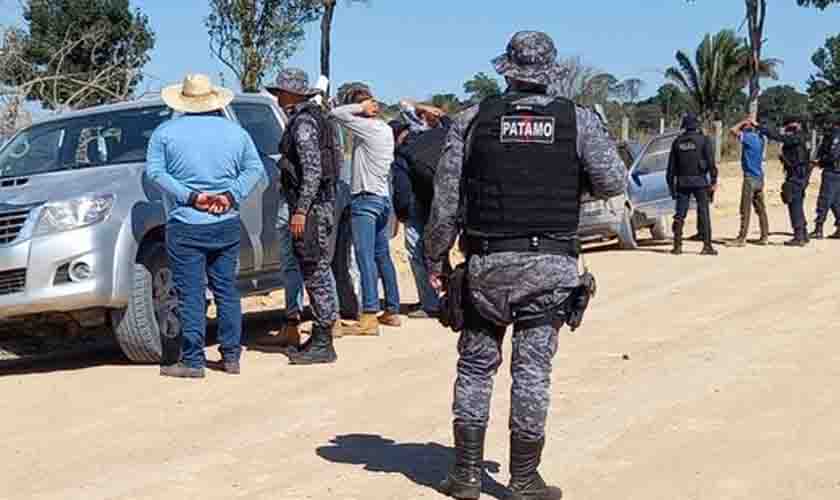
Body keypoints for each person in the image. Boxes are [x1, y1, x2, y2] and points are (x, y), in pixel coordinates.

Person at [426, 31, 627, 500]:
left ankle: (466, 475)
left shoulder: (473, 120)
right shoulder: (577, 121)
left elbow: (446, 201)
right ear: (549, 71)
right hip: (550, 267)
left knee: (476, 367)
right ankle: (522, 479)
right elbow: (613, 180)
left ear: (507, 69)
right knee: (532, 371)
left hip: (487, 265)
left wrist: (435, 256)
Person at [146, 74, 267, 378]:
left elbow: (155, 173)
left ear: (183, 101)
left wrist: (191, 196)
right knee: (226, 290)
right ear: (213, 100)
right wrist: (230, 195)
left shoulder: (165, 133)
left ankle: (193, 360)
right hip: (225, 221)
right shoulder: (235, 133)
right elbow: (255, 169)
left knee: (191, 294)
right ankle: (230, 356)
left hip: (186, 222)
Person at [272, 68, 341, 364]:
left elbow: (312, 171)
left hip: (311, 207)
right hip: (317, 204)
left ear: (290, 94)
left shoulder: (302, 123)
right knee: (316, 269)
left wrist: (301, 210)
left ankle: (324, 340)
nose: (276, 98)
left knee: (315, 270)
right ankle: (321, 334)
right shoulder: (314, 117)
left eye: (279, 93)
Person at [330, 85, 401, 335]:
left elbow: (336, 114)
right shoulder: (384, 129)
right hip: (382, 200)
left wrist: (359, 108)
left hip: (365, 201)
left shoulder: (368, 127)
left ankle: (369, 314)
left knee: (364, 257)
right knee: (382, 255)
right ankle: (392, 309)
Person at [391, 101, 452, 319]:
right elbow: (450, 123)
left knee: (416, 252)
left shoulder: (403, 151)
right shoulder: (443, 135)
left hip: (420, 204)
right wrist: (436, 112)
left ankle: (430, 303)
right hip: (448, 202)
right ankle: (452, 298)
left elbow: (402, 188)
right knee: (440, 251)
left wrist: (402, 214)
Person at [666, 113, 719, 256]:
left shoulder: (677, 142)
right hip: (700, 182)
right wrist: (713, 181)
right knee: (703, 212)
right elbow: (711, 163)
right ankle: (707, 246)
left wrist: (671, 189)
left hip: (682, 183)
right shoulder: (703, 140)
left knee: (680, 215)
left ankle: (677, 246)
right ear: (696, 126)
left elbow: (671, 169)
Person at [759, 115, 812, 246]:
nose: (787, 127)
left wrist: (762, 128)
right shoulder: (804, 136)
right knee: (797, 203)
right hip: (800, 174)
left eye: (789, 124)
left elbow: (778, 137)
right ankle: (803, 234)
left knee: (794, 204)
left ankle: (799, 236)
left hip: (796, 175)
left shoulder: (797, 137)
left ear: (797, 124)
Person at [727, 116, 769, 247]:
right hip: (760, 177)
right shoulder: (761, 139)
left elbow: (732, 130)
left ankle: (742, 238)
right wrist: (754, 124)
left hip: (750, 178)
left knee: (745, 209)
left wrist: (743, 121)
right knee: (761, 209)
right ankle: (764, 236)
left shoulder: (748, 138)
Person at [810, 114, 840, 239]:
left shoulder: (835, 135)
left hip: (832, 171)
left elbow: (833, 154)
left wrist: (819, 162)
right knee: (836, 201)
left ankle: (818, 228)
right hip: (837, 171)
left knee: (825, 199)